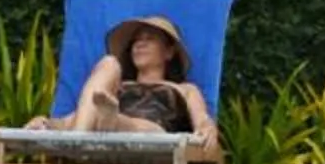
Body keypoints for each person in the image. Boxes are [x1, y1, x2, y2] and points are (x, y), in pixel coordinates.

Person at [31, 14, 217, 145]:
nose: (139, 43)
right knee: (108, 63)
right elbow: (72, 118)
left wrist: (207, 128)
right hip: (96, 127)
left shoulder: (185, 89)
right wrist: (48, 124)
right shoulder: (115, 87)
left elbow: (202, 119)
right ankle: (84, 137)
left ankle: (110, 123)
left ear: (169, 52)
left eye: (149, 38)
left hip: (155, 135)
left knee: (134, 124)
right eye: (136, 40)